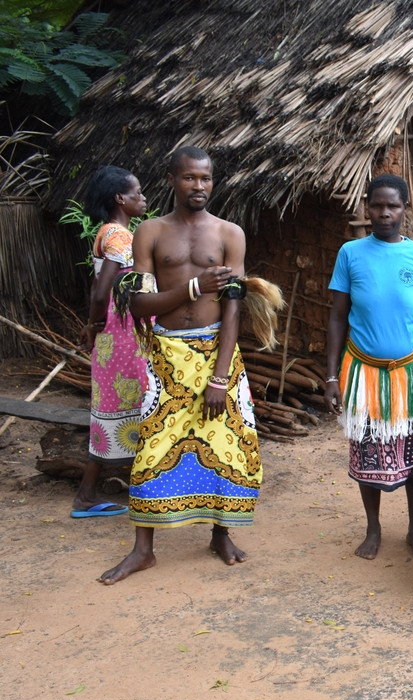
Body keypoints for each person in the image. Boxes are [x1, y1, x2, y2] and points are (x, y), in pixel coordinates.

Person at [99, 146, 282, 585]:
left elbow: (233, 308)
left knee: (228, 445)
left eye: (205, 179)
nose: (198, 186)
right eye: (189, 178)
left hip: (217, 355)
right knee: (153, 449)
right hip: (165, 356)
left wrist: (221, 375)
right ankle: (144, 550)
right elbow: (140, 306)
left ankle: (222, 534)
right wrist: (195, 286)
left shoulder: (229, 234)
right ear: (171, 179)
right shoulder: (149, 233)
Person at [324, 174, 413, 560]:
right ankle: (374, 528)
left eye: (392, 206)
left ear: (405, 208)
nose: (384, 213)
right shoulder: (350, 253)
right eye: (377, 205)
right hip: (363, 374)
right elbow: (336, 317)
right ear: (367, 207)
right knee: (365, 454)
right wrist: (331, 376)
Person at [71, 166, 148, 519]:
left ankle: (95, 494)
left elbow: (95, 285)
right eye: (137, 193)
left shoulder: (110, 232)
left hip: (116, 334)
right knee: (130, 407)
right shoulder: (119, 235)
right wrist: (96, 323)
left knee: (117, 411)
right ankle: (89, 496)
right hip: (122, 336)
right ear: (120, 198)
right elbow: (102, 291)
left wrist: (93, 325)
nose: (143, 198)